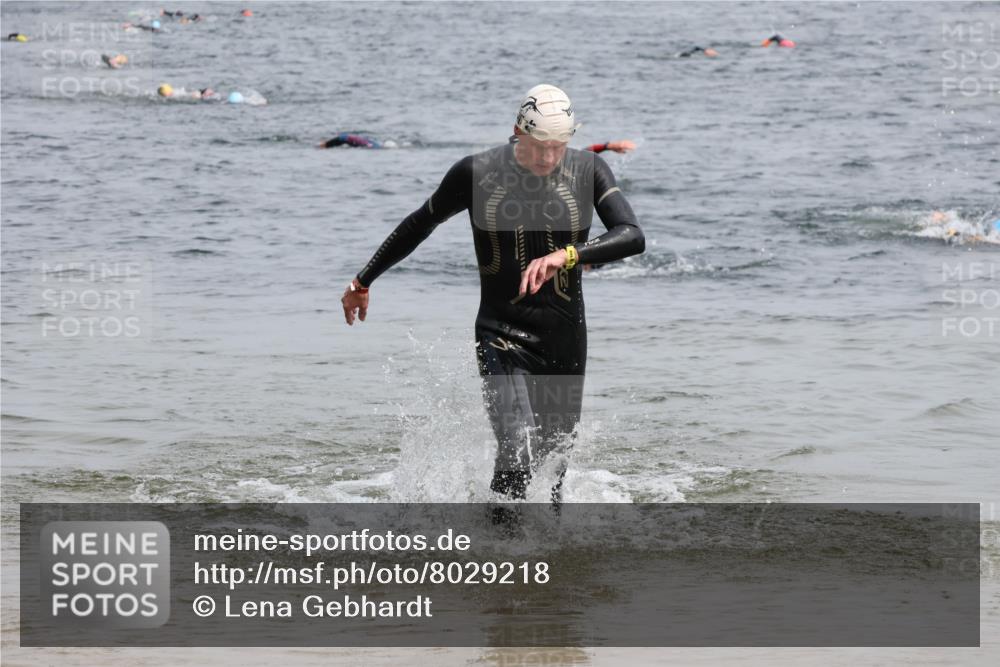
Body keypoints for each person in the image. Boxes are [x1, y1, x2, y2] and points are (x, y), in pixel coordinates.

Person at [341, 85, 644, 502]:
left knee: (553, 467)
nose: (549, 157)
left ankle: (556, 562)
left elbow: (632, 235)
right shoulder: (476, 173)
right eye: (540, 146)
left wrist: (567, 255)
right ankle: (496, 555)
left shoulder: (588, 170)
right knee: (516, 455)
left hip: (564, 337)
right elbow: (418, 224)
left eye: (559, 146)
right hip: (502, 334)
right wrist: (363, 281)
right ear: (518, 130)